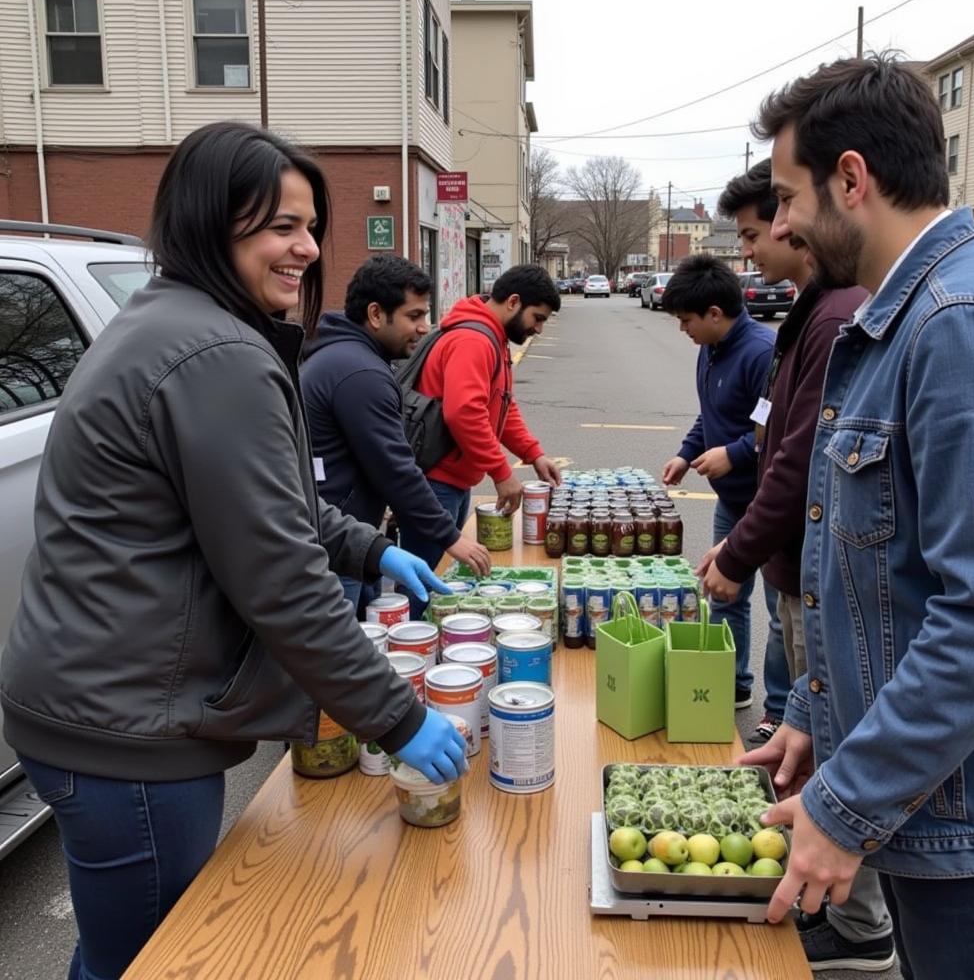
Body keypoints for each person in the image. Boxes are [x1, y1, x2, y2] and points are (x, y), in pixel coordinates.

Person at [0, 122, 466, 980]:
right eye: (278, 225)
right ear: (211, 224)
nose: (306, 246)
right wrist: (399, 717)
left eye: (310, 224)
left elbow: (267, 508)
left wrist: (370, 551)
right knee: (146, 959)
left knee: (115, 947)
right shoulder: (215, 352)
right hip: (125, 728)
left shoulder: (184, 323)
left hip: (92, 704)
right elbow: (283, 583)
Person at [742, 54, 974, 979]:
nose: (777, 225)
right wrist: (816, 713)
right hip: (924, 797)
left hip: (971, 821)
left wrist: (846, 801)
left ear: (852, 180)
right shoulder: (894, 320)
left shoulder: (959, 319)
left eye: (787, 198)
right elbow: (881, 578)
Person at [703, 161, 892, 973]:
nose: (768, 238)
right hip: (796, 570)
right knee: (804, 731)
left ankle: (862, 929)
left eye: (775, 214)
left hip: (812, 573)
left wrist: (740, 549)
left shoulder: (840, 314)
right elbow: (782, 440)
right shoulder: (812, 316)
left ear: (843, 187)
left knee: (842, 744)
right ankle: (838, 907)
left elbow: (799, 461)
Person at [300, 254, 491, 616]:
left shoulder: (343, 355)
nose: (425, 327)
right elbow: (395, 468)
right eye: (414, 316)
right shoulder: (360, 372)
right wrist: (450, 537)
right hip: (337, 547)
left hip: (344, 535)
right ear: (375, 315)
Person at [398, 263, 563, 616]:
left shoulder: (492, 337)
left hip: (452, 481)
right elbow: (464, 412)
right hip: (435, 482)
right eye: (538, 317)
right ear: (514, 302)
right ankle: (408, 650)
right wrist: (501, 473)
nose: (538, 328)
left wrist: (534, 454)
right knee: (423, 583)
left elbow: (501, 406)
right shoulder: (474, 340)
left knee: (438, 579)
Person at [660, 254, 777, 710]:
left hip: (767, 502)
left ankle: (782, 708)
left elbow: (775, 428)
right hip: (731, 501)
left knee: (782, 613)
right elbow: (711, 414)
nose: (682, 330)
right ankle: (735, 684)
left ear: (714, 314)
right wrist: (686, 454)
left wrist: (734, 453)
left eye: (686, 320)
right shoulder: (711, 348)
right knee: (723, 590)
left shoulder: (761, 354)